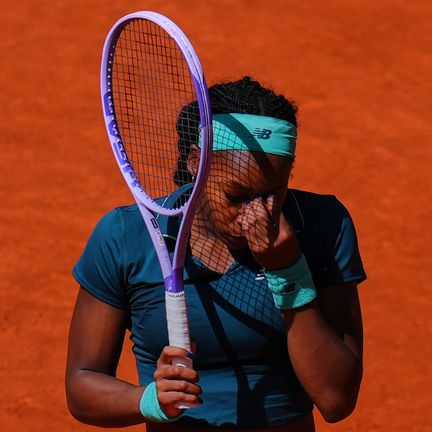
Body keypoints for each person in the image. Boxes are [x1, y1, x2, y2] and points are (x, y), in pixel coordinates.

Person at [66, 77, 366, 431]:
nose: (256, 215)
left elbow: (336, 399)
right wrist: (148, 400)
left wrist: (288, 273)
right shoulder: (126, 237)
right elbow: (82, 385)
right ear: (197, 163)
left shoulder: (321, 225)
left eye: (275, 194)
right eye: (236, 196)